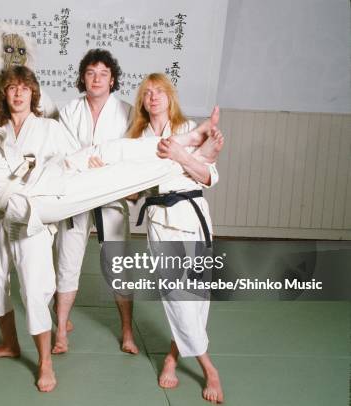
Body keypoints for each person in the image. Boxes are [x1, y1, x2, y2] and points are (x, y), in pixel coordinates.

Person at [0, 66, 76, 392]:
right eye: (11, 88)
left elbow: (69, 165)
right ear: (4, 94)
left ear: (34, 93)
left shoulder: (49, 128)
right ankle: (9, 343)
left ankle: (45, 362)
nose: (18, 93)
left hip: (31, 220)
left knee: (34, 288)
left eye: (24, 88)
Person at [128, 73, 224, 403]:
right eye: (147, 93)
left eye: (160, 92)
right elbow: (133, 192)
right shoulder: (137, 137)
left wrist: (183, 156)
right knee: (177, 297)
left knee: (196, 297)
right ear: (141, 101)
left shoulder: (189, 129)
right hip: (160, 221)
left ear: (171, 97)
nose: (153, 97)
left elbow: (207, 175)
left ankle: (171, 357)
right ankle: (209, 367)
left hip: (193, 217)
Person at [0, 21, 60, 335]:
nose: (13, 55)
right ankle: (0, 330)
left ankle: (49, 338)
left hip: (31, 209)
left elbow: (67, 158)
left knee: (36, 282)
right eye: (7, 50)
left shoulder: (45, 120)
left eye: (19, 50)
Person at [53, 48, 134, 355]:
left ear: (112, 80)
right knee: (67, 262)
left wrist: (105, 170)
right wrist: (90, 164)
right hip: (75, 195)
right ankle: (61, 330)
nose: (96, 79)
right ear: (82, 78)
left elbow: (128, 154)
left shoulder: (126, 112)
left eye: (103, 73)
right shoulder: (69, 111)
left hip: (111, 194)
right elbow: (64, 154)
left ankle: (127, 331)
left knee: (119, 264)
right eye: (90, 72)